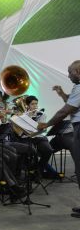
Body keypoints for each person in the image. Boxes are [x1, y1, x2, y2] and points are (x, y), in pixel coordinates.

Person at [37, 60, 80, 218]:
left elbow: (65, 111)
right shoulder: (77, 86)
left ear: (78, 72)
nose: (68, 75)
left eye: (70, 72)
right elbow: (70, 101)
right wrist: (62, 94)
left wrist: (46, 124)